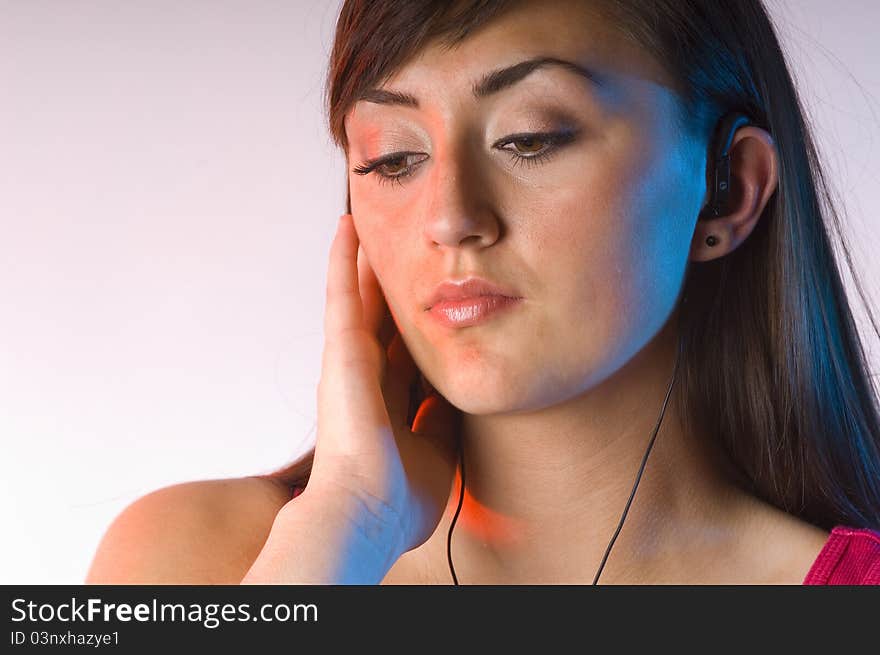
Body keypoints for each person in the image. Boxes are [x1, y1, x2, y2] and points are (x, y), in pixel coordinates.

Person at [85, 0, 880, 585]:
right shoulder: (191, 561)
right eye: (394, 157)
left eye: (529, 137)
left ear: (728, 190)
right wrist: (347, 528)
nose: (451, 218)